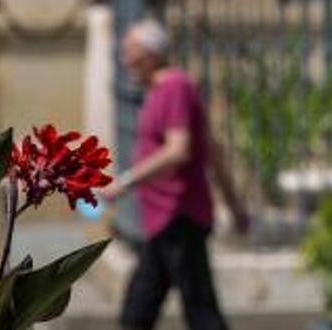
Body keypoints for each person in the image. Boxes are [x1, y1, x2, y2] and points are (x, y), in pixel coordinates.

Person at [99, 18, 249, 330]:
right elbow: (212, 149)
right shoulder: (164, 91)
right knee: (139, 309)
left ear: (151, 54)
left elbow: (178, 149)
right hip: (165, 222)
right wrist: (235, 207)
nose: (126, 61)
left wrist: (125, 182)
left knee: (199, 312)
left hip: (178, 216)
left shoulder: (174, 87)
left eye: (132, 53)